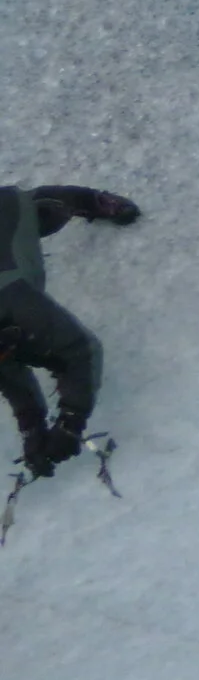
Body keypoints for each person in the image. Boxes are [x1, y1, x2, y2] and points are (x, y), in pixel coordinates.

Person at [1, 183, 142, 481]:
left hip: (6, 214)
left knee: (32, 213)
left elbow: (82, 350)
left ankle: (90, 200)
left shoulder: (17, 302)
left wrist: (71, 422)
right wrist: (33, 433)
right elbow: (13, 380)